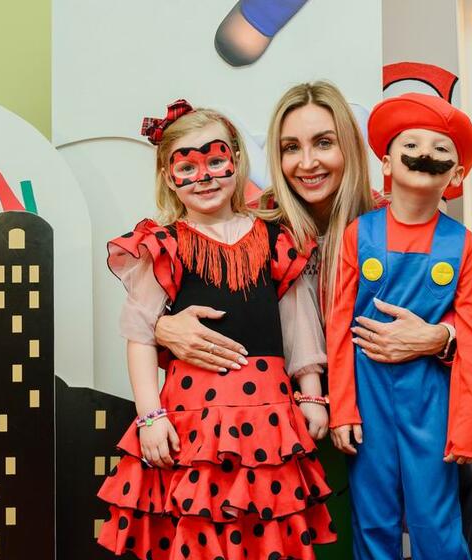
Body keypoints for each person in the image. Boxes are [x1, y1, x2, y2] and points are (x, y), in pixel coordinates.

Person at [154, 82, 472, 559]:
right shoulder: (255, 225)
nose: (308, 162)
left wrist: (439, 336)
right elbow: (178, 280)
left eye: (323, 143)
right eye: (290, 148)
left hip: (400, 387)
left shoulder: (391, 212)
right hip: (289, 397)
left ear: (352, 148)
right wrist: (162, 325)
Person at [97, 99, 336, 560]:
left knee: (264, 528)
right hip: (193, 418)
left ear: (237, 160)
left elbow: (298, 320)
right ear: (168, 176)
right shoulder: (162, 245)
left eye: (215, 160)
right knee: (201, 529)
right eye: (187, 166)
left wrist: (310, 393)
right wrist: (150, 417)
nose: (204, 176)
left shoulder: (276, 237)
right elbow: (140, 334)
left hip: (268, 415)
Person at [327, 92, 472, 559]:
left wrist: (466, 430)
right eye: (412, 144)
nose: (426, 154)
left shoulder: (462, 243)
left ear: (456, 175)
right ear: (386, 163)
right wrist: (343, 410)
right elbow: (338, 326)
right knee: (373, 517)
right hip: (368, 399)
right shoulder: (359, 234)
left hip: (431, 401)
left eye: (441, 149)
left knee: (435, 521)